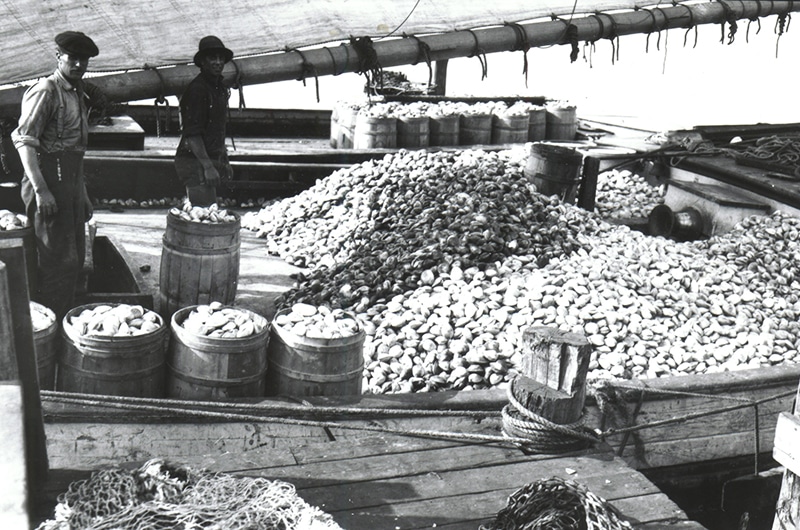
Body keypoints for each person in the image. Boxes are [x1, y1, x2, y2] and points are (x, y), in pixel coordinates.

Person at [12, 31, 98, 320]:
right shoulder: (46, 90)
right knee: (56, 262)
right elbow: (25, 142)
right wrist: (41, 190)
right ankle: (46, 331)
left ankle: (61, 324)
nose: (78, 65)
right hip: (46, 178)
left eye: (83, 60)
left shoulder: (77, 92)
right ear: (58, 57)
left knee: (73, 259)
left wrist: (82, 194)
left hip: (70, 180)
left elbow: (77, 151)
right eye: (72, 59)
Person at [174, 35, 234, 206]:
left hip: (209, 160)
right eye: (212, 58)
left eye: (220, 58)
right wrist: (208, 167)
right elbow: (192, 134)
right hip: (194, 162)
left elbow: (218, 130)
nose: (217, 62)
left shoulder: (219, 88)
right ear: (202, 62)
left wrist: (224, 159)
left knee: (208, 210)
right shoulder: (197, 90)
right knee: (203, 212)